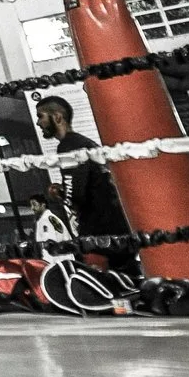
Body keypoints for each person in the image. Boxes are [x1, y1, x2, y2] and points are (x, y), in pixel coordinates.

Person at [35, 96, 137, 279]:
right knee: (127, 281)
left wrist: (58, 196)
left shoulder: (69, 146)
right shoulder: (85, 142)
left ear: (57, 117)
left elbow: (76, 196)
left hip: (99, 233)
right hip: (117, 227)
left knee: (103, 288)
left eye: (41, 116)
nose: (38, 122)